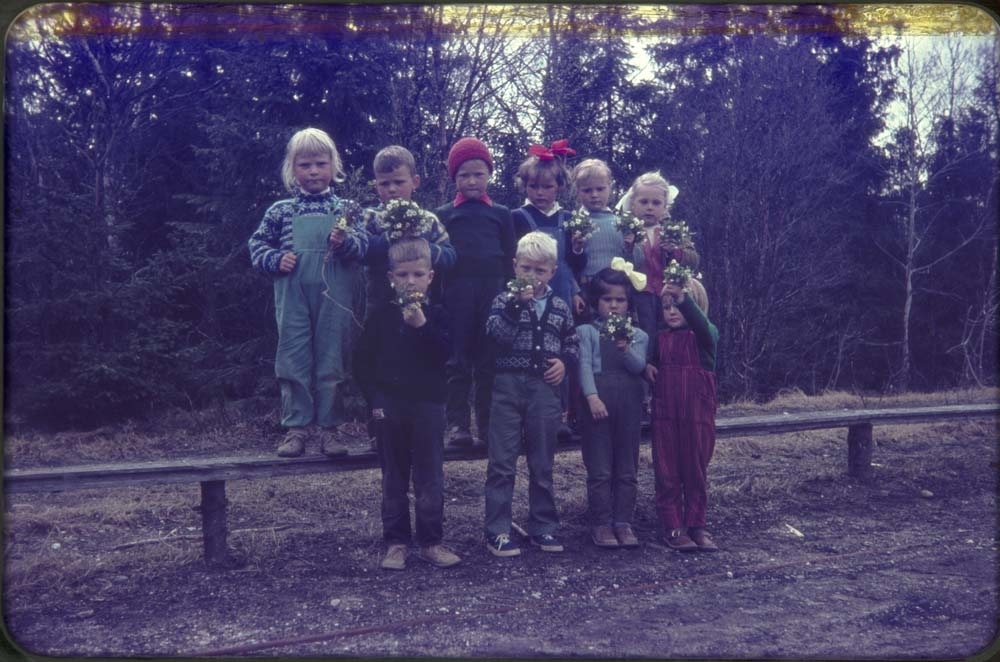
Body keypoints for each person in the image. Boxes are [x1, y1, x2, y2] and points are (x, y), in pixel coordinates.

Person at [248, 127, 368, 458]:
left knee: (332, 359)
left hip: (335, 295)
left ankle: (330, 430)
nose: (313, 171)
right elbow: (256, 245)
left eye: (319, 163)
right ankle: (296, 429)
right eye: (305, 165)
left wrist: (346, 243)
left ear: (333, 165)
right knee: (293, 358)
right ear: (292, 169)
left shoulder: (348, 209)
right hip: (292, 294)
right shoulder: (280, 211)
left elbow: (363, 246)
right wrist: (275, 259)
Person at [352, 238, 461, 570]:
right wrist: (375, 402)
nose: (410, 281)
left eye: (417, 274)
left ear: (430, 276)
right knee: (393, 477)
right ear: (390, 277)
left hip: (428, 405)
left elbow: (446, 356)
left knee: (429, 476)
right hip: (389, 406)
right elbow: (361, 363)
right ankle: (396, 543)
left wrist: (422, 327)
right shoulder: (381, 317)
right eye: (402, 274)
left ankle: (431, 541)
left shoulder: (440, 314)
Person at [483, 231, 579, 557]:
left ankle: (544, 528)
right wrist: (514, 306)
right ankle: (497, 530)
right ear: (515, 267)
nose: (532, 277)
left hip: (545, 391)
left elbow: (572, 343)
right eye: (526, 269)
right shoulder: (502, 301)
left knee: (542, 464)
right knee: (502, 464)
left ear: (552, 271)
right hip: (508, 388)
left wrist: (565, 364)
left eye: (540, 271)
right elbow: (496, 336)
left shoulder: (560, 306)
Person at [435, 137, 516, 448]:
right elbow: (437, 259)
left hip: (493, 293)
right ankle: (457, 425)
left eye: (478, 174)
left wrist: (511, 298)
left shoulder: (501, 213)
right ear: (454, 177)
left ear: (489, 174)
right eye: (464, 175)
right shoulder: (444, 214)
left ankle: (487, 424)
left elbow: (511, 258)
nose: (471, 181)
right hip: (457, 294)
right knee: (457, 360)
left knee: (489, 360)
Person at [576, 265, 650, 549]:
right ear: (597, 302)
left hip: (629, 405)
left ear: (628, 303)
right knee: (600, 468)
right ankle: (601, 523)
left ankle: (623, 522)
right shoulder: (586, 332)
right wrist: (592, 397)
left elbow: (639, 366)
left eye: (620, 300)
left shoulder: (638, 335)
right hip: (598, 405)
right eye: (608, 300)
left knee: (627, 466)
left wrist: (625, 348)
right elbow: (583, 366)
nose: (614, 305)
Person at [646, 277, 719, 552]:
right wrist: (649, 368)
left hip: (697, 416)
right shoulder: (660, 339)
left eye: (677, 304)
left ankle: (697, 524)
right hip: (666, 415)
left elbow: (704, 327)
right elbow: (652, 363)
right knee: (667, 471)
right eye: (666, 306)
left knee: (696, 471)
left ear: (695, 306)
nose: (672, 311)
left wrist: (683, 297)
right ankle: (673, 525)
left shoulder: (706, 337)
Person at [362, 145, 456, 319]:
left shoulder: (428, 220)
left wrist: (423, 246)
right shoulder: (370, 217)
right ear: (376, 186)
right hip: (378, 306)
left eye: (399, 182)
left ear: (415, 182)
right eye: (384, 183)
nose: (392, 189)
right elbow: (362, 250)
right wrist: (391, 239)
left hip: (423, 307)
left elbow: (450, 256)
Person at [616, 171, 699, 348]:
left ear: (665, 207)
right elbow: (618, 263)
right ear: (633, 204)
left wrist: (676, 252)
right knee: (644, 335)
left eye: (656, 203)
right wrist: (628, 247)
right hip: (640, 295)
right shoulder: (626, 231)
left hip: (668, 294)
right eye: (644, 202)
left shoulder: (672, 231)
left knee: (668, 335)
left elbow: (693, 259)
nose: (649, 207)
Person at [569, 158, 642, 288]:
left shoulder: (622, 223)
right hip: (587, 287)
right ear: (578, 192)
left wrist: (630, 248)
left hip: (616, 289)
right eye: (587, 190)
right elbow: (568, 264)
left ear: (610, 187)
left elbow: (638, 262)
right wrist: (576, 249)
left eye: (600, 189)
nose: (594, 195)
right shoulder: (574, 224)